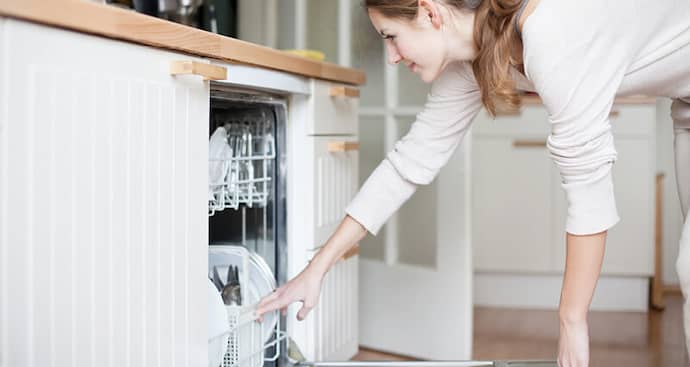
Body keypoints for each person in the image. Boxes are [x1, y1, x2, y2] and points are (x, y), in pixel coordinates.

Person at [256, 0, 690, 366]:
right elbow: (407, 164)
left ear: (429, 13)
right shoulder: (470, 62)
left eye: (390, 36)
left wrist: (571, 324)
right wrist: (316, 271)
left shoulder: (552, 35)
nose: (390, 56)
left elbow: (590, 197)